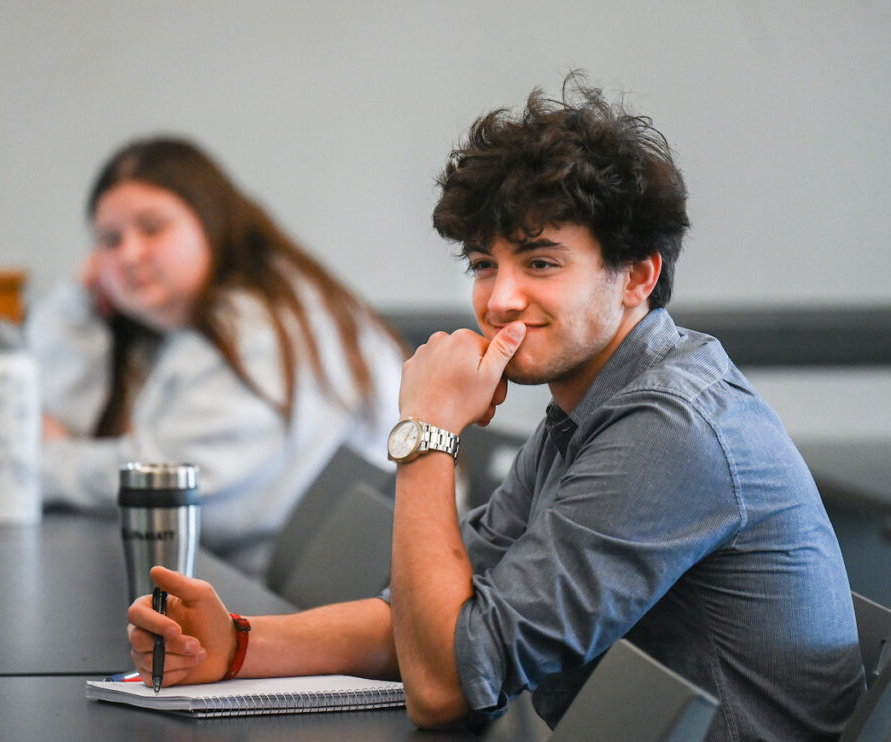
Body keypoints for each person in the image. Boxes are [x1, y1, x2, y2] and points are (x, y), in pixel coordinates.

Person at [123, 77, 865, 740]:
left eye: (540, 262)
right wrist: (241, 645)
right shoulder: (589, 411)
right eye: (484, 265)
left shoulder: (669, 429)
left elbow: (444, 686)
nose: (499, 298)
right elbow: (422, 624)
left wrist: (428, 435)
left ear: (638, 276)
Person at [25, 138, 405, 578]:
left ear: (210, 220)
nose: (129, 254)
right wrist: (76, 303)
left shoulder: (255, 324)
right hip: (278, 584)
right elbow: (66, 418)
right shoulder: (218, 317)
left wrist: (41, 462)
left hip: (304, 603)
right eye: (109, 240)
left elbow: (172, 479)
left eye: (152, 228)